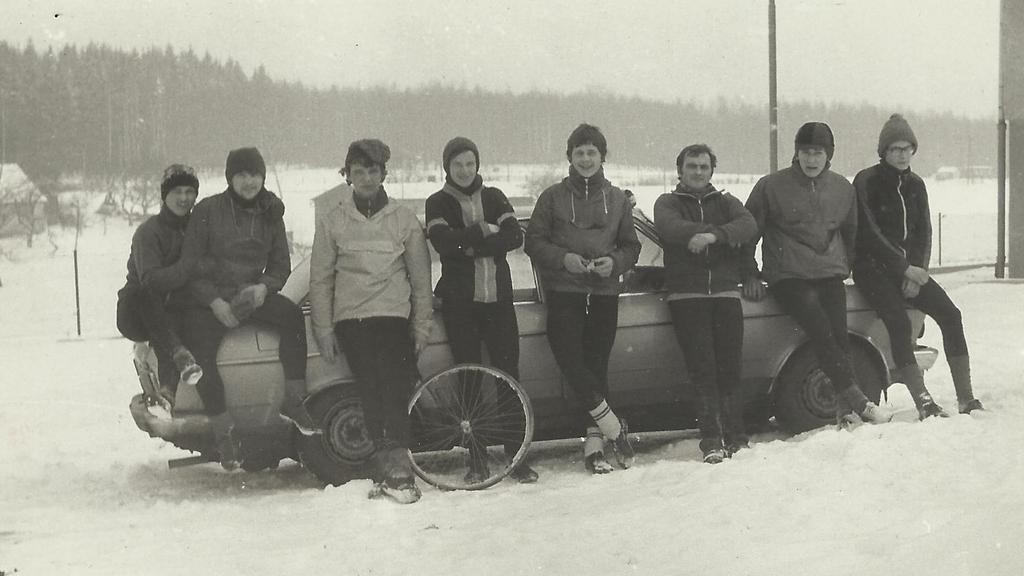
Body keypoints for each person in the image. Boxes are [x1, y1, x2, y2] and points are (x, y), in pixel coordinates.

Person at [741, 122, 893, 426]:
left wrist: (845, 265)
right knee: (820, 329)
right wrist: (750, 274)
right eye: (806, 152)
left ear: (829, 155)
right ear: (796, 154)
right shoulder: (770, 186)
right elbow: (749, 233)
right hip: (789, 276)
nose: (812, 159)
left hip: (829, 274)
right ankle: (860, 402)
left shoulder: (841, 187)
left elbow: (851, 231)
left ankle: (844, 411)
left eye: (818, 152)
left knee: (839, 335)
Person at [309, 139, 433, 504]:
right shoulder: (333, 220)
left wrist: (421, 325)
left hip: (394, 316)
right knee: (371, 386)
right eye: (358, 171)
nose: (365, 178)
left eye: (373, 171)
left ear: (384, 174)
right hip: (353, 319)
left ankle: (397, 464)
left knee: (396, 383)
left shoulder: (403, 219)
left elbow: (420, 278)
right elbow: (320, 279)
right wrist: (323, 328)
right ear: (347, 175)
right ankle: (387, 465)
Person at [182, 147, 313, 470]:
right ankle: (223, 431)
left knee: (292, 317)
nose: (249, 181)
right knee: (203, 353)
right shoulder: (207, 211)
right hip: (211, 299)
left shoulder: (271, 211)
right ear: (230, 178)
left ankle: (293, 400)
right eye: (241, 175)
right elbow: (191, 267)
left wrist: (263, 288)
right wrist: (214, 303)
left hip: (250, 296)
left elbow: (281, 265)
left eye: (254, 174)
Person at [524, 123, 641, 474]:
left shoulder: (617, 198)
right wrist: (563, 259)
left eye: (592, 152)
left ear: (602, 157)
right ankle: (613, 428)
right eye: (580, 153)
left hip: (604, 292)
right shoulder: (552, 197)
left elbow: (631, 246)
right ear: (570, 157)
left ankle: (594, 448)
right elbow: (533, 242)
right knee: (571, 360)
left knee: (596, 366)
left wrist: (615, 262)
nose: (586, 159)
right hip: (565, 292)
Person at [852, 114, 984, 417]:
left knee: (951, 315)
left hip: (910, 270)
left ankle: (966, 398)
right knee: (898, 322)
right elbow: (869, 233)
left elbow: (924, 231)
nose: (901, 154)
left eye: (906, 148)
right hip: (871, 268)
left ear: (913, 151)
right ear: (883, 152)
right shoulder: (867, 180)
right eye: (894, 149)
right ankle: (924, 402)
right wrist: (903, 269)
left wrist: (918, 270)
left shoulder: (916, 184)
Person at [424, 136, 539, 484]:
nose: (464, 170)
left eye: (470, 163)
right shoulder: (437, 202)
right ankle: (477, 459)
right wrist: (481, 232)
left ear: (478, 165)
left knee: (508, 376)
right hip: (461, 306)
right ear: (447, 167)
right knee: (469, 379)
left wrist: (468, 245)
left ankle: (516, 456)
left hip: (499, 303)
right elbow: (443, 243)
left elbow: (514, 238)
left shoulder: (494, 196)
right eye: (457, 164)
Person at [654, 144, 757, 463]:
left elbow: (749, 226)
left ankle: (736, 436)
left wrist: (712, 237)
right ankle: (711, 440)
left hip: (725, 294)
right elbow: (670, 228)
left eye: (703, 166)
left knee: (730, 368)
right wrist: (723, 234)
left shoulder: (726, 202)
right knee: (703, 369)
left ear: (712, 171)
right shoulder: (667, 202)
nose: (698, 171)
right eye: (691, 166)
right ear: (680, 171)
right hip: (687, 296)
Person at [116, 164, 204, 398]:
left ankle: (167, 394)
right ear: (165, 195)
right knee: (148, 296)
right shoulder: (148, 232)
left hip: (172, 309)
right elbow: (151, 280)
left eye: (189, 191)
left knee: (179, 318)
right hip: (136, 311)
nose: (184, 198)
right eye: (177, 192)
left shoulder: (198, 228)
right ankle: (179, 355)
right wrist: (188, 268)